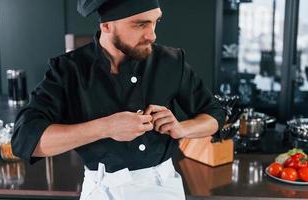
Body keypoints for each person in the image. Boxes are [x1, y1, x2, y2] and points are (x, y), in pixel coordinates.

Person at [12, 0, 226, 199]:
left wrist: (182, 129)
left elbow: (216, 114)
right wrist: (106, 127)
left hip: (163, 188)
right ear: (106, 26)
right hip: (102, 189)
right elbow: (25, 140)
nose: (152, 35)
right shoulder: (68, 70)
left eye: (155, 22)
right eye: (140, 25)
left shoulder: (171, 62)